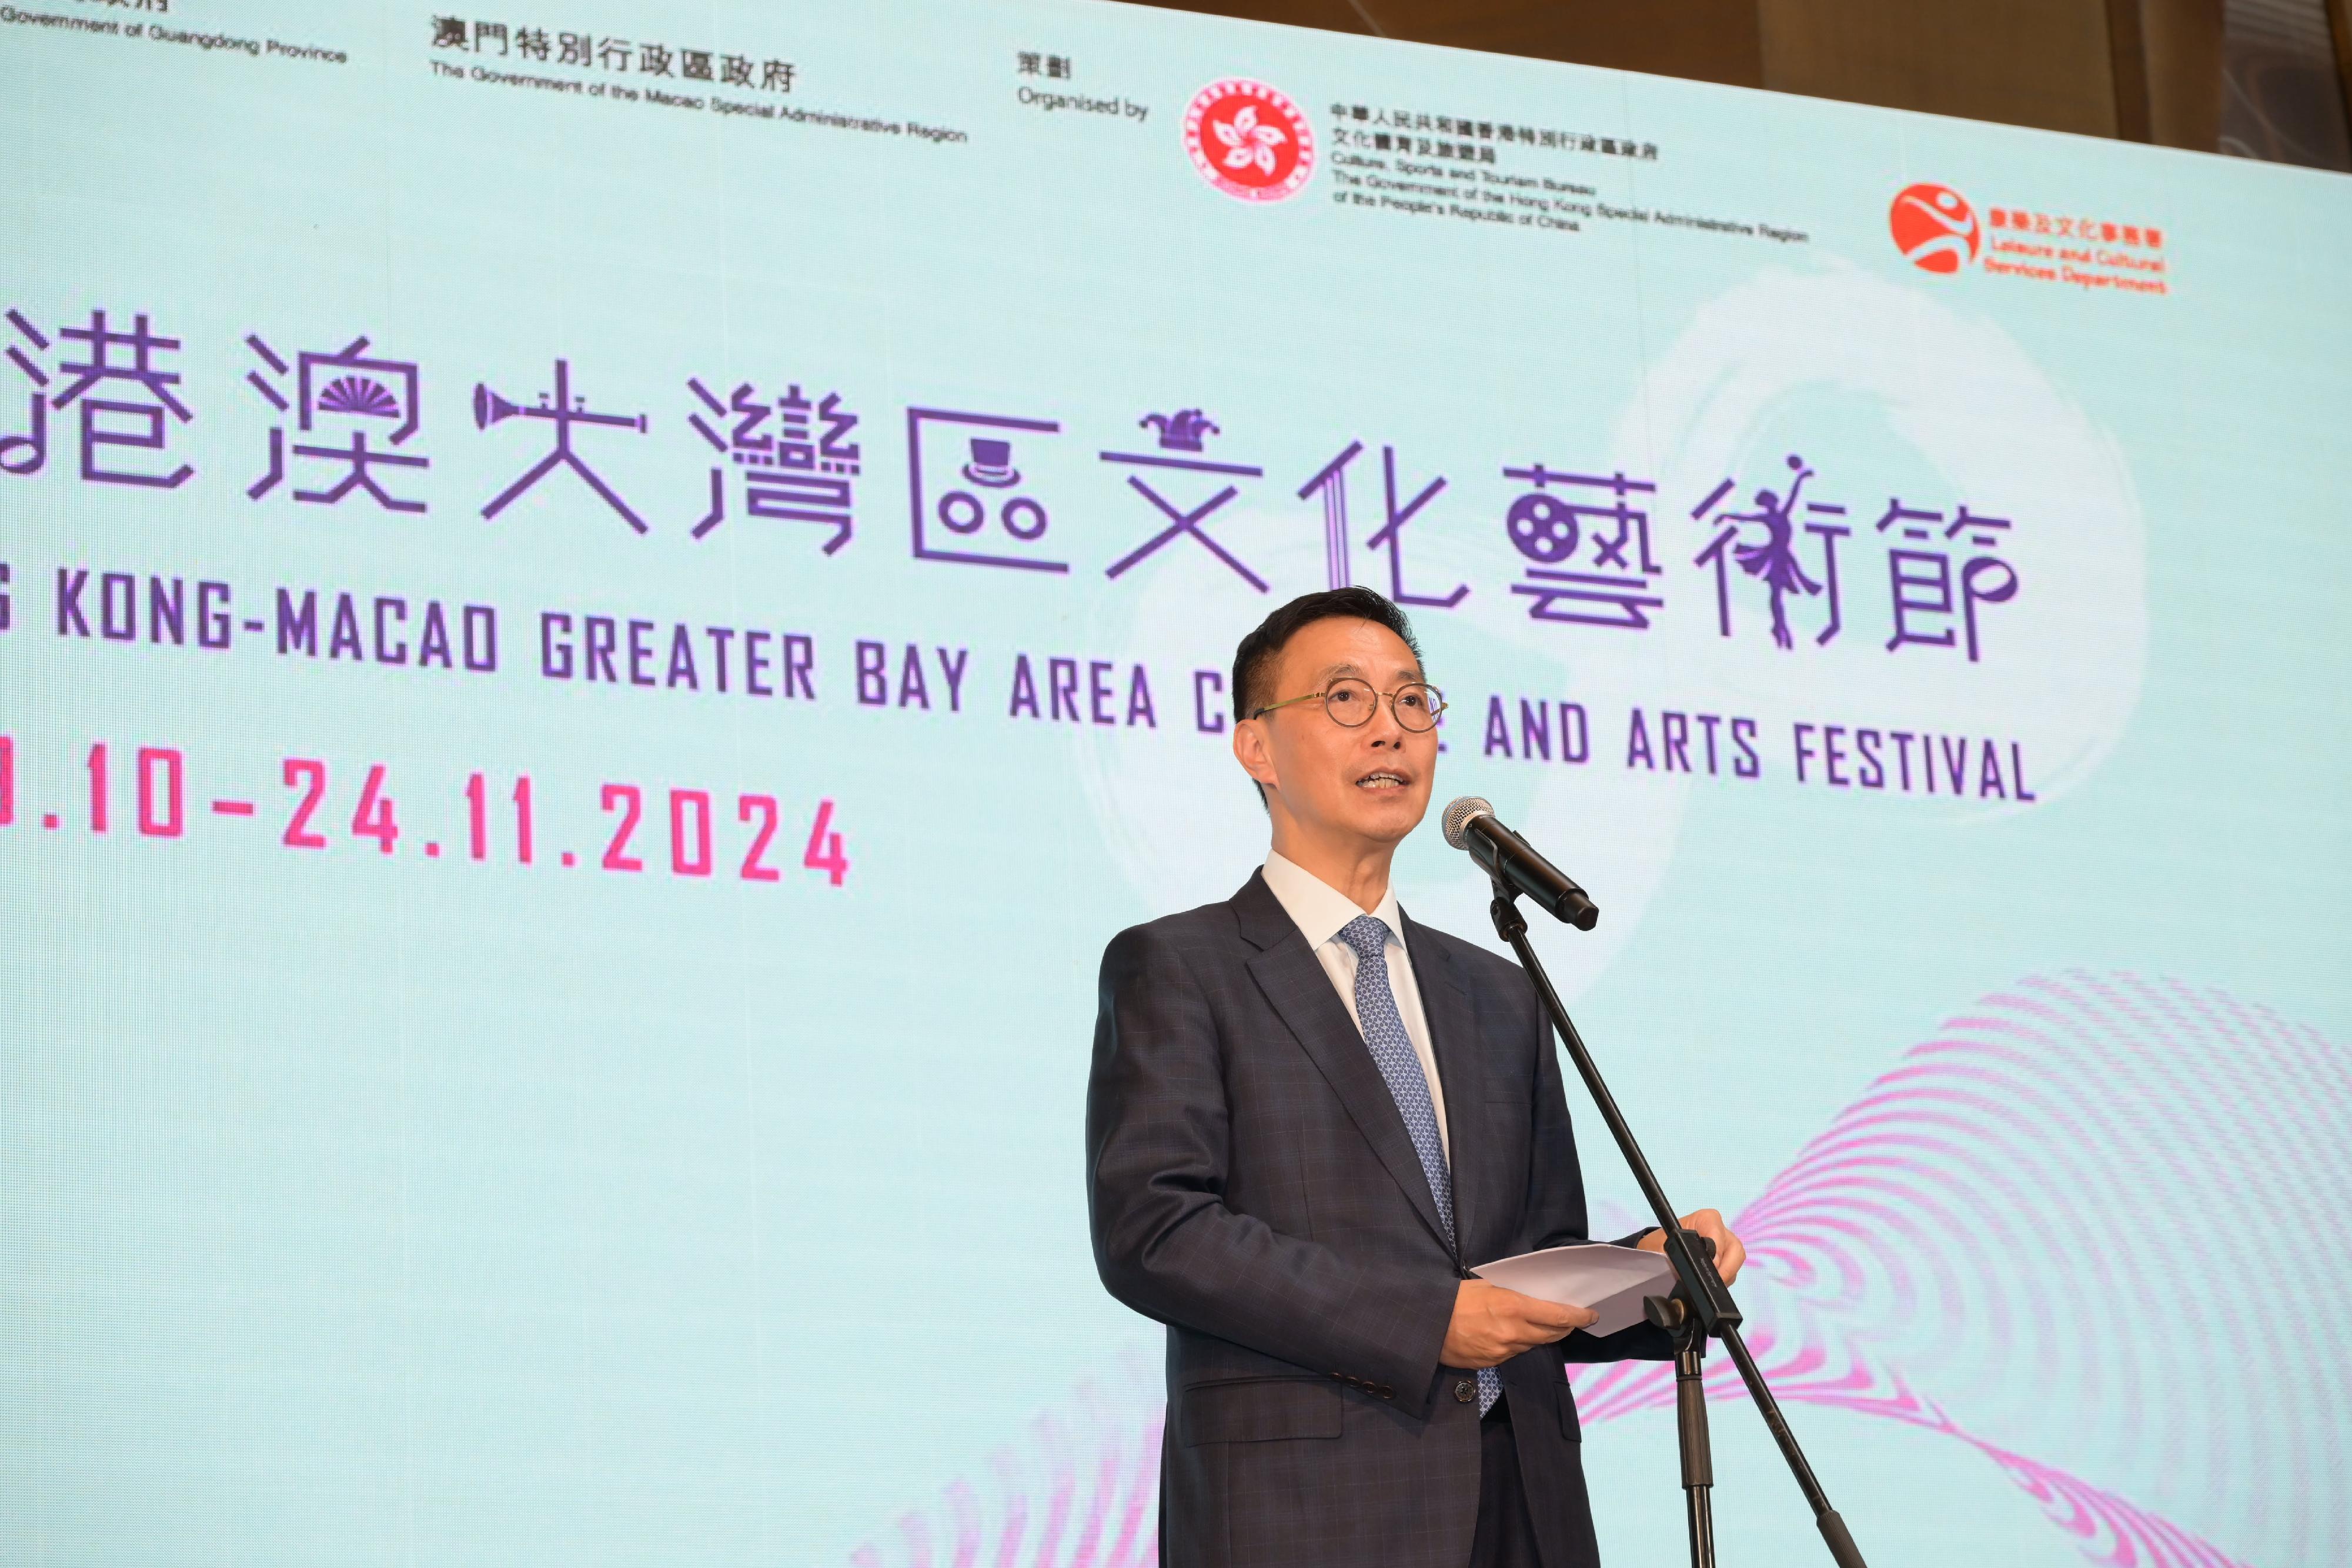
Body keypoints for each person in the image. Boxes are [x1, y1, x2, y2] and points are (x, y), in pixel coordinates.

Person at [1085, 586, 1745, 1568]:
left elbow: (1529, 1263)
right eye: (1346, 700)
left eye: (1412, 702)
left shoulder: (1497, 990)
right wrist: (1428, 1320)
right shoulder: (1181, 967)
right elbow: (1157, 1233)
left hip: (1522, 1511)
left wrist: (1643, 1277)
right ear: (1257, 748)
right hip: (1303, 1518)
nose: (1390, 731)